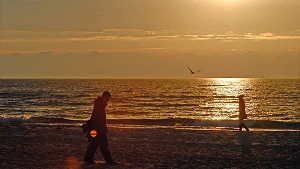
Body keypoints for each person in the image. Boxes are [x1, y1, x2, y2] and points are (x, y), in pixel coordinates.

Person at [84, 91, 118, 164]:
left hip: (97, 128)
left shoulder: (99, 105)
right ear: (105, 97)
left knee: (94, 144)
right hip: (99, 129)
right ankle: (108, 160)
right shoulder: (100, 106)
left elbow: (93, 117)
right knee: (103, 145)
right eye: (108, 98)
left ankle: (88, 158)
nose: (109, 100)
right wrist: (100, 128)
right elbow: (97, 118)